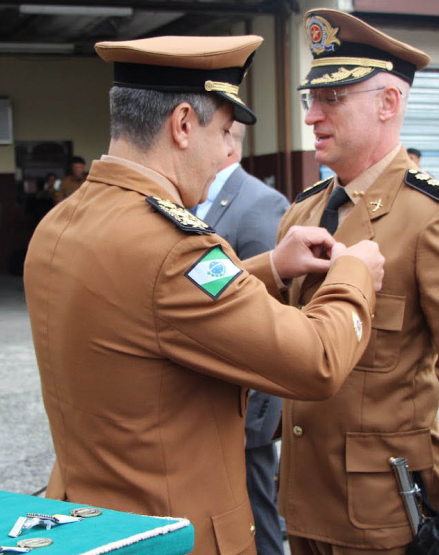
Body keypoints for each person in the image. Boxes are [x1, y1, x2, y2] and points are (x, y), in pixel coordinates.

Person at [23, 34, 386, 555]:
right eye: (224, 132)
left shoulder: (62, 222)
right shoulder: (174, 248)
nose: (225, 154)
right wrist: (351, 274)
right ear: (184, 124)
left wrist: (271, 268)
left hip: (93, 520)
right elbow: (315, 361)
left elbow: (150, 307)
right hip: (173, 533)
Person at [277, 9, 439, 555]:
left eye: (334, 99)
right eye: (310, 99)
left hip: (382, 516)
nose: (313, 116)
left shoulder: (435, 218)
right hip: (301, 504)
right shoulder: (302, 214)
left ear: (389, 104)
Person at [195, 121, 290, 555]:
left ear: (227, 141)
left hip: (248, 398)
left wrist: (262, 410)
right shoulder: (193, 198)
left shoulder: (259, 203)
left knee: (256, 507)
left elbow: (273, 311)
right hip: (207, 394)